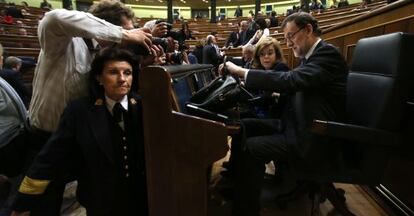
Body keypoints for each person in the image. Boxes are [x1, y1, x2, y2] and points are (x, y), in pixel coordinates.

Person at [21, 0, 153, 215]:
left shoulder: (106, 57)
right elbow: (52, 18)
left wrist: (143, 65)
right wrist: (123, 34)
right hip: (44, 142)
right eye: (127, 31)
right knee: (40, 208)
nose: (131, 37)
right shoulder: (66, 42)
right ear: (105, 27)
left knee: (92, 199)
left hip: (79, 143)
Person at [219, 12, 348, 216]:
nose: (288, 43)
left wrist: (242, 72)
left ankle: (245, 210)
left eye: (290, 36)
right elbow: (298, 87)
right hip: (296, 125)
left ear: (308, 30)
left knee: (253, 148)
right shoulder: (311, 58)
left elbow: (291, 80)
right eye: (286, 38)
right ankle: (240, 187)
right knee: (247, 126)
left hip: (313, 138)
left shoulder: (326, 54)